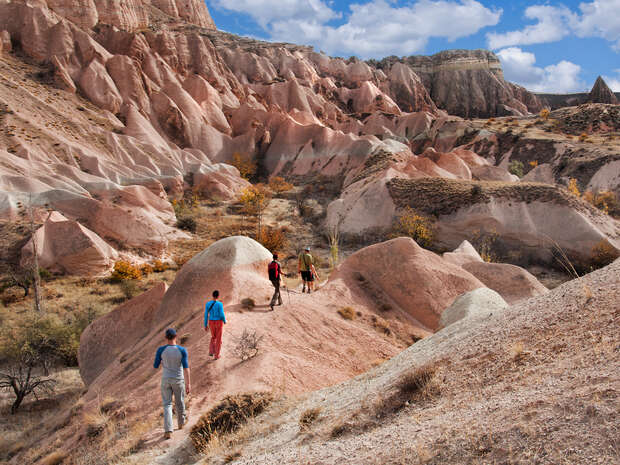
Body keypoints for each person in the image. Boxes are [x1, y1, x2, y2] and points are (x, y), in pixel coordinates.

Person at [154, 328, 190, 440]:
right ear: (176, 336)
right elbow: (186, 368)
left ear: (166, 338)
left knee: (167, 405)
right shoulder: (182, 350)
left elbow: (155, 365)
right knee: (179, 402)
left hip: (166, 379)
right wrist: (189, 384)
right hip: (178, 379)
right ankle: (181, 423)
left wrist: (163, 361)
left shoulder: (161, 350)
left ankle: (168, 430)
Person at [204, 290, 226, 360]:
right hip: (219, 322)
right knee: (218, 339)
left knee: (213, 337)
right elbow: (222, 314)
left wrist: (205, 325)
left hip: (211, 322)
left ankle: (211, 351)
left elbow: (205, 315)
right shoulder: (220, 304)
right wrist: (224, 321)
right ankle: (216, 355)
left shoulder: (207, 304)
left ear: (212, 295)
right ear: (218, 296)